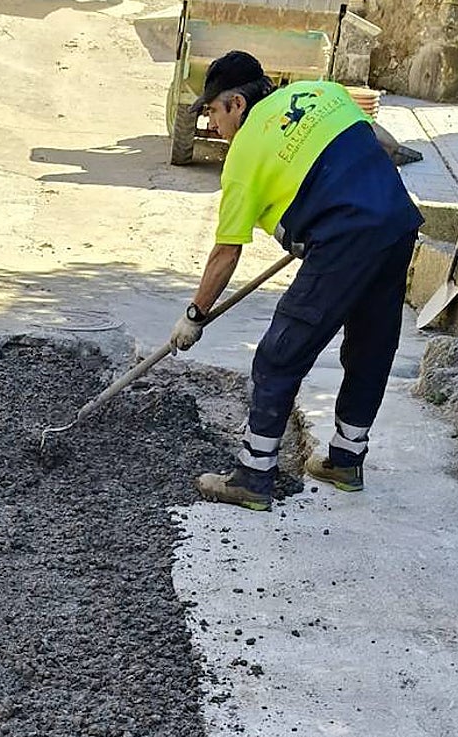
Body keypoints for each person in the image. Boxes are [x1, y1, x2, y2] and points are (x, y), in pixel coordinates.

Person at [171, 51, 423, 511]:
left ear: (237, 105)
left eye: (213, 111)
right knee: (370, 347)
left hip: (345, 236)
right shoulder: (322, 93)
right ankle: (346, 461)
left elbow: (226, 253)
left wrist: (195, 315)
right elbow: (378, 142)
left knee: (278, 356)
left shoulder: (244, 155)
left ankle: (252, 476)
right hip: (397, 222)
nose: (213, 123)